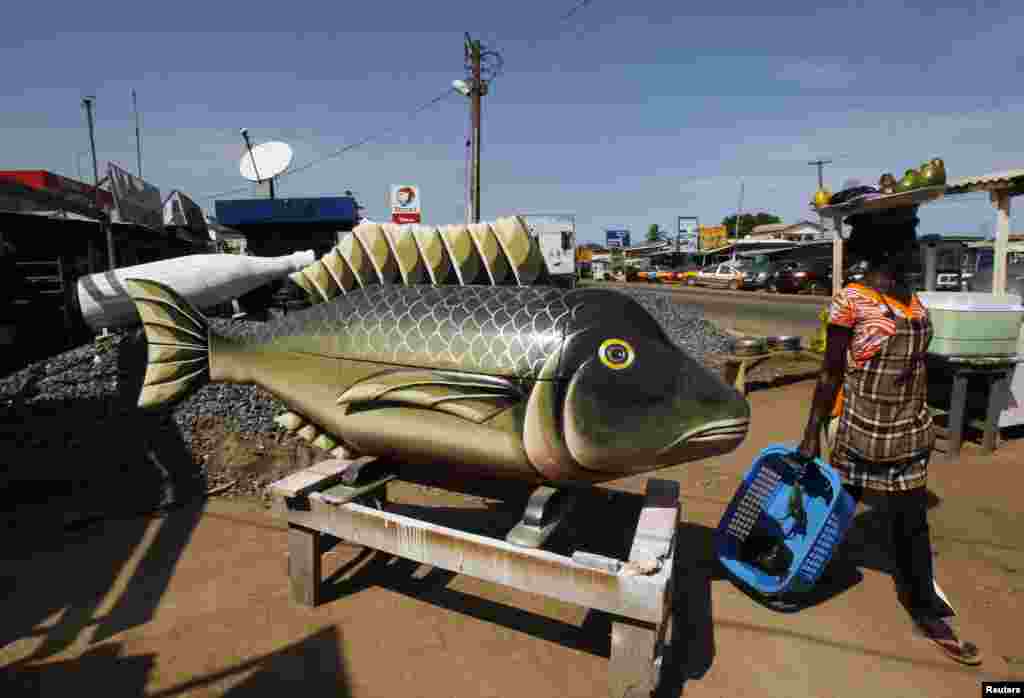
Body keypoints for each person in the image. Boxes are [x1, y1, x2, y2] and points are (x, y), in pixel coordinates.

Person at [797, 204, 983, 666]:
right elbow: (830, 373)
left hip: (909, 430)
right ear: (886, 249)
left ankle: (924, 608)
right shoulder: (851, 300)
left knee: (911, 523)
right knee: (835, 509)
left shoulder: (911, 297)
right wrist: (811, 433)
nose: (915, 251)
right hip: (862, 429)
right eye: (908, 242)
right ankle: (797, 568)